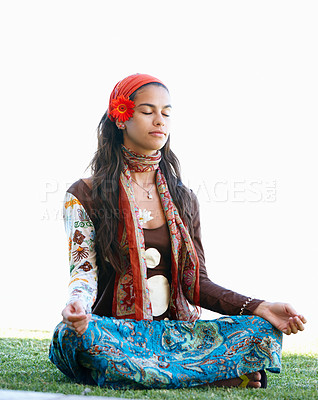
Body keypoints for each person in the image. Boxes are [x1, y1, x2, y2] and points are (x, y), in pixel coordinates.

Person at [49, 73, 306, 389]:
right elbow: (83, 270)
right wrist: (78, 304)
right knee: (73, 336)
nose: (159, 120)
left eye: (166, 113)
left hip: (173, 336)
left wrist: (260, 306)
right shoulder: (85, 193)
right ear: (121, 118)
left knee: (262, 329)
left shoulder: (183, 198)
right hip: (112, 332)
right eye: (147, 111)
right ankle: (208, 375)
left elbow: (195, 283)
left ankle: (160, 373)